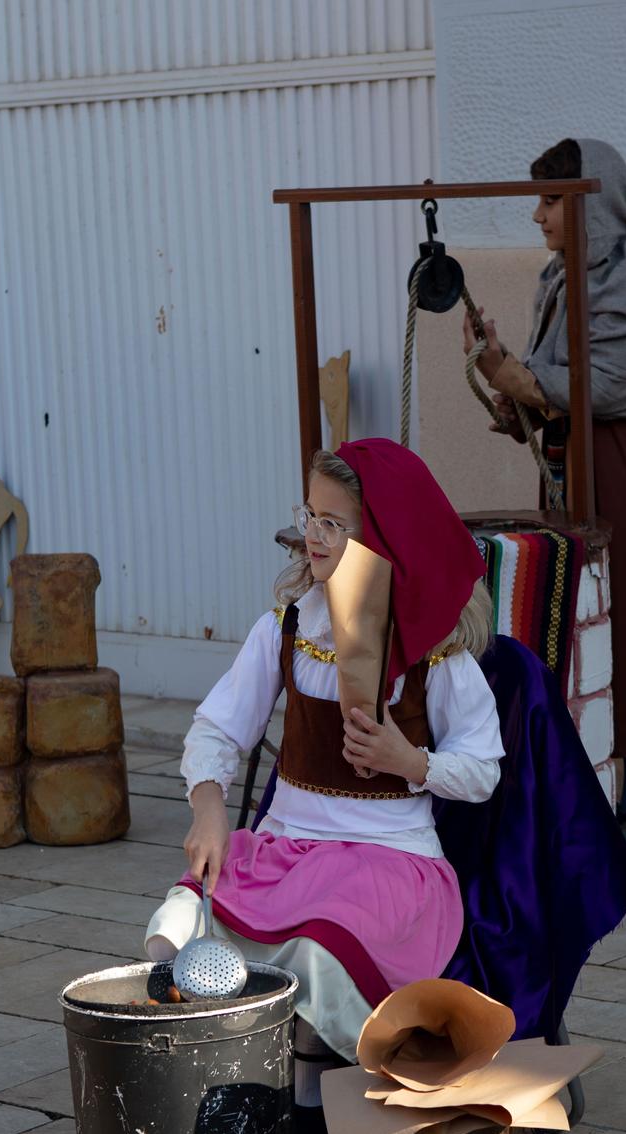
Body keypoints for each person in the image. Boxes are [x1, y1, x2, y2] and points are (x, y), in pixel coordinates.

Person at [146, 441, 504, 1080]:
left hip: (388, 865)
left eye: (333, 524)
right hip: (287, 850)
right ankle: (225, 1100)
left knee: (317, 952)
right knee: (174, 926)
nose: (311, 534)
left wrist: (410, 759)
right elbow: (217, 729)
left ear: (383, 541)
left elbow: (483, 771)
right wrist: (208, 811)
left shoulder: (437, 658)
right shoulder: (285, 629)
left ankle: (313, 1133)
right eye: (309, 514)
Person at [464, 136, 626, 851]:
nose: (538, 216)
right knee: (568, 623)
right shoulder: (561, 278)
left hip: (625, 469)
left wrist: (521, 378)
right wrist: (504, 378)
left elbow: (601, 387)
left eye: (551, 200)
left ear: (590, 204)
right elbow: (552, 390)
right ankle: (581, 795)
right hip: (571, 465)